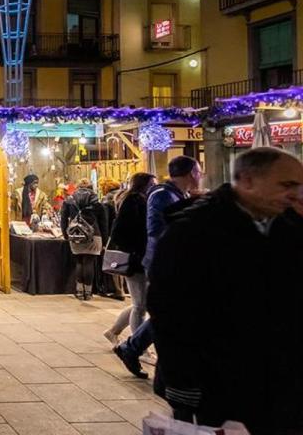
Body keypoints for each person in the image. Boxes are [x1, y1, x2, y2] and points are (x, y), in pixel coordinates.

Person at [148, 148, 303, 434]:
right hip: (223, 384)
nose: (296, 193)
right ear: (247, 181)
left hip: (285, 379)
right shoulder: (193, 231)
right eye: (287, 185)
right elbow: (170, 313)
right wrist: (182, 383)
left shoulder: (288, 225)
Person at [112, 156, 201, 379]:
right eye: (199, 171)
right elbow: (156, 230)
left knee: (168, 311)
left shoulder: (177, 195)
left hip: (171, 261)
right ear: (192, 172)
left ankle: (132, 348)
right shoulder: (162, 195)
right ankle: (133, 348)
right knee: (163, 310)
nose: (201, 175)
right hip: (164, 263)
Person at [103, 172, 156, 345]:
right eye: (152, 184)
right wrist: (137, 249)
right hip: (135, 259)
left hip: (141, 258)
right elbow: (121, 232)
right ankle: (137, 347)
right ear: (143, 185)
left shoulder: (137, 201)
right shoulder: (134, 202)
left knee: (140, 303)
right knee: (140, 305)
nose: (155, 187)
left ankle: (113, 331)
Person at [60, 179, 108, 301]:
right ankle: (88, 292)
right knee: (89, 262)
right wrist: (105, 239)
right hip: (94, 234)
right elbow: (103, 222)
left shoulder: (69, 201)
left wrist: (65, 234)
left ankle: (79, 291)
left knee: (79, 261)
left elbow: (63, 219)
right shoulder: (96, 201)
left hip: (76, 234)